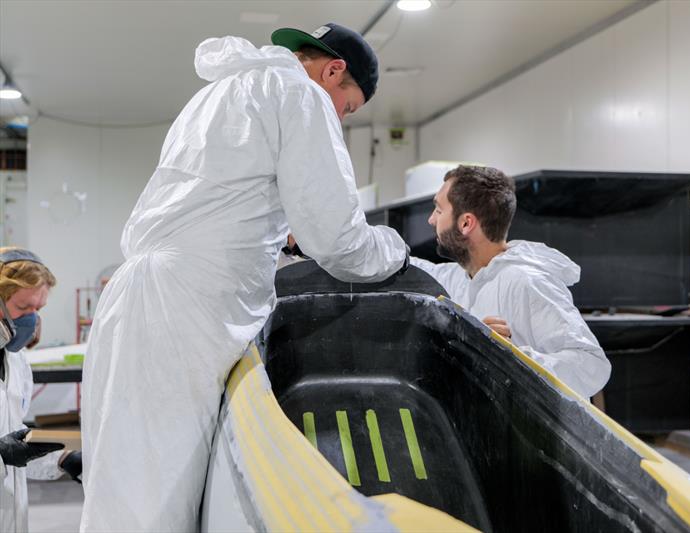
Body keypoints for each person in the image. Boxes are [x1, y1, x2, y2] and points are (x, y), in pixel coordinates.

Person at [80, 23, 408, 532]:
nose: (340, 118)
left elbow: (220, 200)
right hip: (184, 312)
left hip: (139, 297)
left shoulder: (219, 93)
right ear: (333, 70)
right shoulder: (301, 93)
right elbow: (340, 241)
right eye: (348, 108)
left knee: (122, 489)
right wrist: (396, 251)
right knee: (156, 502)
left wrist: (280, 234)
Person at [411, 166, 610, 398]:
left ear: (466, 223)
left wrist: (508, 357)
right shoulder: (461, 277)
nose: (431, 219)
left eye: (438, 209)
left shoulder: (526, 281)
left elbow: (591, 365)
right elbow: (404, 265)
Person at [0, 248, 81, 532]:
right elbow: (5, 449)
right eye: (23, 309)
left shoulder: (16, 361)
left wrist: (62, 458)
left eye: (38, 310)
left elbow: (12, 435)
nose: (32, 321)